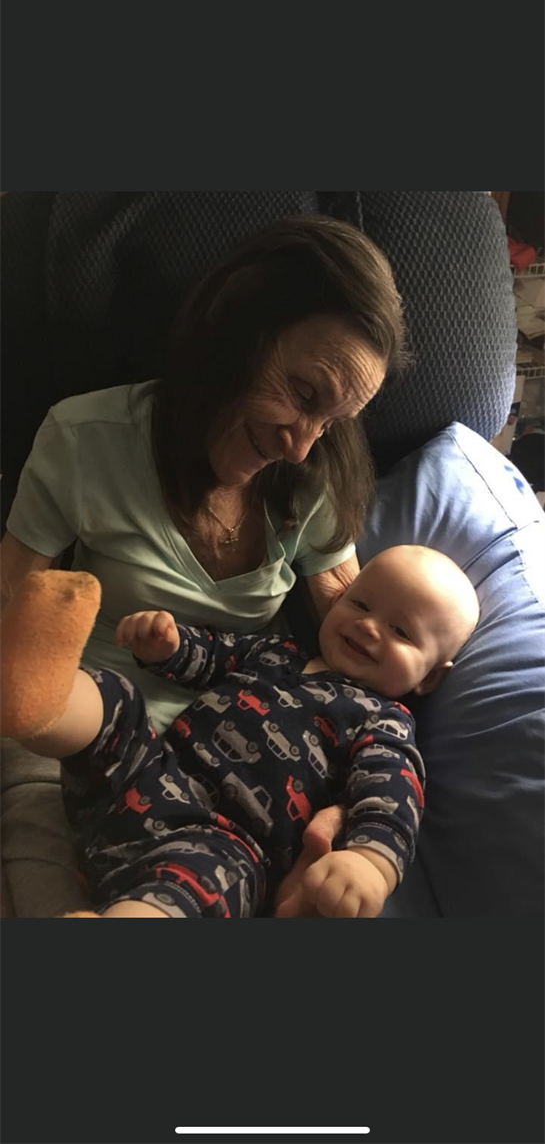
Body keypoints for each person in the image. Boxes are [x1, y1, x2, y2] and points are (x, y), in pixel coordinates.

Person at [0, 215, 407, 910]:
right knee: (39, 846)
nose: (302, 445)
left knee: (192, 886)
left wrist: (355, 818)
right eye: (303, 395)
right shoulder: (82, 439)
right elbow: (12, 596)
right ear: (237, 323)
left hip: (230, 775)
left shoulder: (313, 481)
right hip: (80, 723)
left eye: (331, 422)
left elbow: (358, 636)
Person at [0, 546, 480, 918]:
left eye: (400, 630)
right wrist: (167, 644)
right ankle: (34, 700)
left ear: (431, 677)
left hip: (227, 845)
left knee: (205, 878)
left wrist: (370, 865)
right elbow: (211, 653)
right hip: (146, 778)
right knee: (119, 698)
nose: (368, 626)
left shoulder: (383, 720)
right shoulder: (278, 651)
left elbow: (392, 797)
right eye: (360, 602)